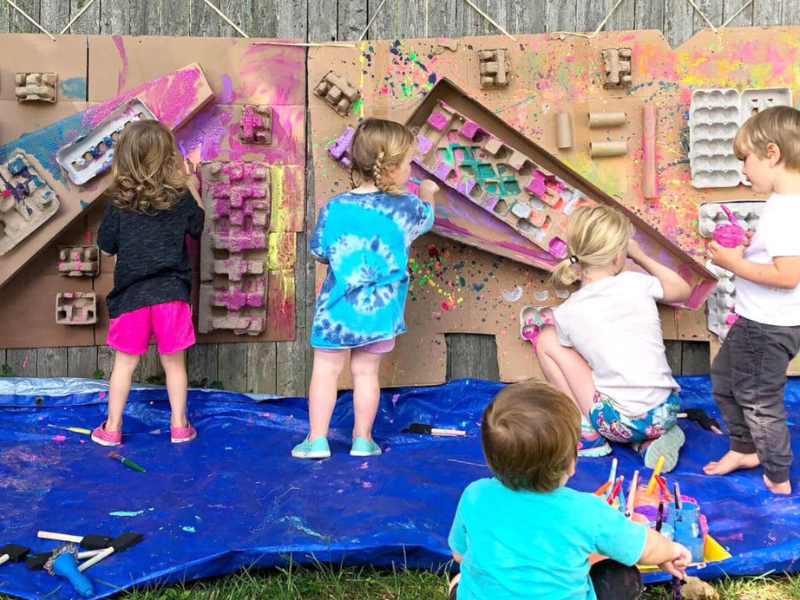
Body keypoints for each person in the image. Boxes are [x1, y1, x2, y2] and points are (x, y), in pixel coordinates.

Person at [447, 380, 691, 600]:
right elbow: (644, 546)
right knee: (621, 573)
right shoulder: (587, 511)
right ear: (573, 460)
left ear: (490, 458)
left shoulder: (474, 496)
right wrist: (671, 551)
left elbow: (459, 556)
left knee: (462, 580)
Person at [291, 118, 437, 459]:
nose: (410, 170)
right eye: (407, 164)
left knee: (326, 371)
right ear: (390, 168)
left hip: (337, 312)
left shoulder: (335, 208)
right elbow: (427, 219)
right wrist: (428, 193)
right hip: (381, 312)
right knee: (366, 374)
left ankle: (316, 440)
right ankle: (362, 440)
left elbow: (318, 252)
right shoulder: (408, 207)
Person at [534, 205, 690, 472]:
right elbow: (683, 290)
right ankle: (648, 442)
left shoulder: (567, 313)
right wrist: (639, 256)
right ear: (619, 256)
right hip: (665, 411)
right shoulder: (636, 283)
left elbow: (581, 362)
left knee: (546, 339)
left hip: (618, 422)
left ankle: (588, 435)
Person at [704, 106, 800, 495]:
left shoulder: (787, 212)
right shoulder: (783, 204)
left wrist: (732, 262)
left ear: (772, 154)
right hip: (759, 319)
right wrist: (750, 247)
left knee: (758, 400)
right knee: (725, 380)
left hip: (770, 325)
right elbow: (780, 257)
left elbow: (788, 276)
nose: (744, 170)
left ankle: (777, 476)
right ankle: (746, 449)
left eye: (746, 159)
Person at [91, 120, 204, 446]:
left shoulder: (118, 203)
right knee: (175, 365)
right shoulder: (180, 198)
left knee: (124, 365)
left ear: (124, 157)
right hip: (172, 294)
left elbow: (107, 245)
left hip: (131, 297)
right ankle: (180, 426)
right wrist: (192, 186)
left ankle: (111, 428)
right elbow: (197, 226)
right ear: (168, 157)